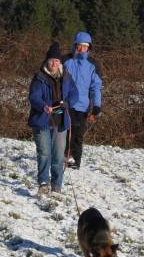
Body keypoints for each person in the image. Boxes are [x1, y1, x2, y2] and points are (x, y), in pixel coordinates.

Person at [28, 42, 76, 197]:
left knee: (58, 156)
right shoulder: (39, 78)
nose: (54, 63)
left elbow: (74, 95)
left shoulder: (67, 77)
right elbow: (34, 97)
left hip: (61, 122)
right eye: (51, 61)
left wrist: (66, 103)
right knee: (44, 153)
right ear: (46, 62)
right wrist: (44, 106)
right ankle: (43, 183)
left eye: (56, 61)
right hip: (42, 121)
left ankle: (56, 185)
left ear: (60, 63)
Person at [63, 31, 103, 169]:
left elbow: (96, 87)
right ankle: (64, 156)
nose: (81, 49)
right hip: (66, 104)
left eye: (84, 46)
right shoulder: (66, 61)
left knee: (78, 134)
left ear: (88, 48)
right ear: (74, 46)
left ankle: (76, 159)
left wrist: (96, 106)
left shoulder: (93, 65)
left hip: (83, 106)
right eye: (79, 46)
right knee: (66, 131)